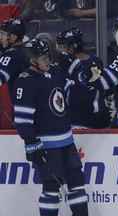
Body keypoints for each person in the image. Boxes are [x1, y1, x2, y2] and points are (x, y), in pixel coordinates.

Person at [13, 38, 89, 216]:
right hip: (47, 146)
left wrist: (86, 79)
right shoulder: (25, 81)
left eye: (48, 56)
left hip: (67, 141)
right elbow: (23, 120)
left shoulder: (54, 72)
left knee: (77, 184)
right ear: (32, 61)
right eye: (43, 58)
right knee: (51, 189)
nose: (48, 60)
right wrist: (32, 144)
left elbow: (72, 88)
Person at [56, 27, 110, 129]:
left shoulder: (83, 65)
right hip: (97, 118)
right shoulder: (94, 60)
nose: (60, 51)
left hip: (81, 120)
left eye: (63, 46)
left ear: (72, 47)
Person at [0, 18, 28, 102]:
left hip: (25, 105)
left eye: (2, 34)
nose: (0, 37)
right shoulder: (29, 50)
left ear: (13, 37)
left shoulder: (11, 54)